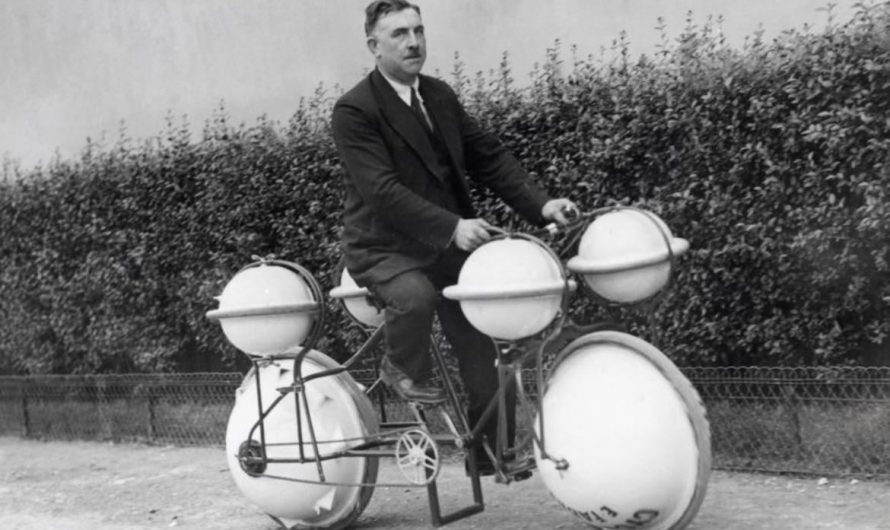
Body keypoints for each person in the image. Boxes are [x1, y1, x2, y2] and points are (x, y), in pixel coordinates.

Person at [331, 0, 577, 475]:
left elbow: (488, 156)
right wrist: (451, 226)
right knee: (414, 296)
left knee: (488, 338)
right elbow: (382, 191)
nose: (413, 41)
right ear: (373, 46)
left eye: (419, 30)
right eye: (399, 33)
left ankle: (491, 453)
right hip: (384, 247)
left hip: (447, 246)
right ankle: (400, 368)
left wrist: (541, 204)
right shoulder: (355, 110)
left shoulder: (439, 95)